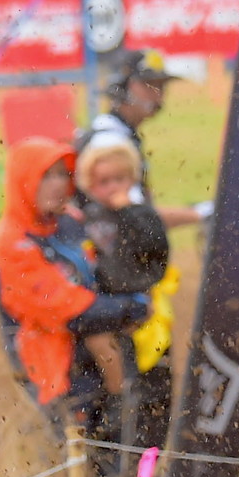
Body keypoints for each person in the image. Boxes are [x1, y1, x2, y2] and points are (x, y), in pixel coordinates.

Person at [0, 138, 149, 437]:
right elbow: (67, 309)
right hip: (53, 368)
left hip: (99, 355)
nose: (57, 184)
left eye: (62, 174)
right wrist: (131, 307)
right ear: (24, 180)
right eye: (46, 176)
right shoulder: (12, 243)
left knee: (124, 441)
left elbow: (110, 272)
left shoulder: (71, 223)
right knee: (76, 457)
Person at [74, 131, 176, 460]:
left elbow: (155, 253)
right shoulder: (83, 220)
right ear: (89, 183)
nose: (113, 187)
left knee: (154, 408)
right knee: (112, 411)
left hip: (146, 320)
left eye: (120, 178)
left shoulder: (142, 215)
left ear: (133, 177)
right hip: (105, 318)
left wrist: (130, 212)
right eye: (103, 181)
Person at [78, 50, 209, 230]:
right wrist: (200, 214)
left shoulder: (119, 133)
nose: (158, 96)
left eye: (161, 87)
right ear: (122, 87)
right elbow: (136, 216)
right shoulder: (109, 142)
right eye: (149, 85)